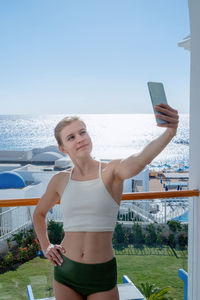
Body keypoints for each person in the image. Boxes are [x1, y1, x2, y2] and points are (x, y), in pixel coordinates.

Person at [33, 103, 179, 300]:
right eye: (71, 137)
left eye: (82, 132)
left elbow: (141, 158)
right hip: (65, 271)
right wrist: (46, 246)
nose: (80, 139)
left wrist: (170, 132)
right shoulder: (60, 180)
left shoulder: (111, 171)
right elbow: (39, 213)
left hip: (101, 274)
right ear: (62, 148)